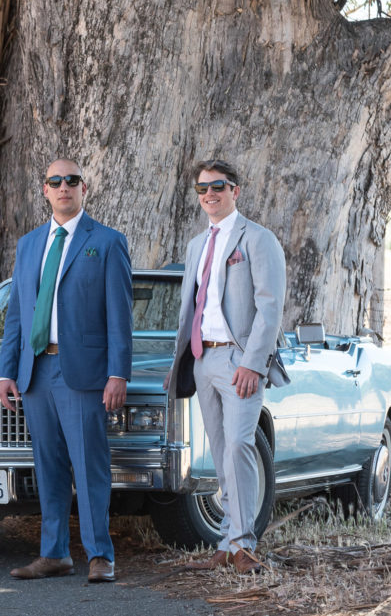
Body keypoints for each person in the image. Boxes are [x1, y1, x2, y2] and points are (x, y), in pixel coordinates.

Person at [0, 158, 133, 582]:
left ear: (83, 188)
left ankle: (100, 556)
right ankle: (53, 553)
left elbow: (120, 315)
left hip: (84, 374)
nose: (63, 187)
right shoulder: (29, 245)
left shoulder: (107, 242)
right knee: (48, 465)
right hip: (36, 372)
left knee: (89, 464)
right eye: (55, 181)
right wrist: (7, 371)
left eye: (71, 180)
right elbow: (17, 314)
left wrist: (118, 373)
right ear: (45, 190)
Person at [165, 159, 287, 574]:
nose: (209, 195)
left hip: (239, 360)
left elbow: (270, 308)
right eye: (202, 189)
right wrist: (187, 359)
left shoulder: (258, 238)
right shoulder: (197, 246)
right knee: (220, 454)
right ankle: (227, 541)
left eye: (218, 186)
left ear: (235, 190)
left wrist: (254, 363)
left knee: (239, 446)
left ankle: (244, 546)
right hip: (203, 360)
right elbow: (190, 309)